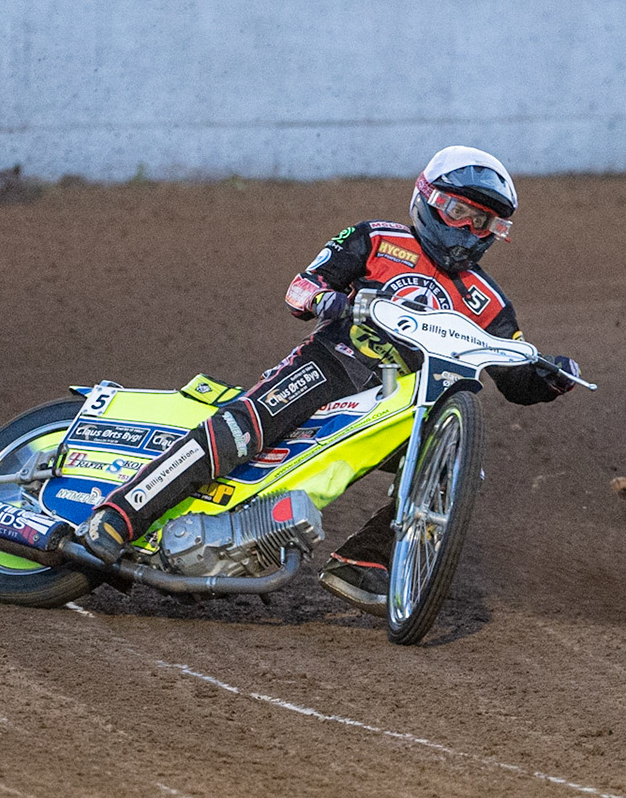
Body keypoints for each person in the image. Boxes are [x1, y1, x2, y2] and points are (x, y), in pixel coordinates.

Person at [74, 147, 581, 613]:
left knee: (455, 468)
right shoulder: (376, 238)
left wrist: (554, 374)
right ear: (428, 201)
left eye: (485, 222)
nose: (470, 230)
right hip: (333, 363)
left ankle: (364, 562)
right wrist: (333, 301)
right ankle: (118, 516)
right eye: (459, 213)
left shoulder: (490, 303)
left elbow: (516, 376)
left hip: (400, 404)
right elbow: (301, 290)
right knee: (244, 429)